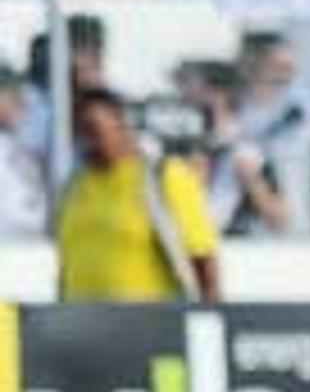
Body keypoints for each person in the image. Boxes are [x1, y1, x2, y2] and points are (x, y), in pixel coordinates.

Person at [54, 86, 220, 302]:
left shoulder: (163, 177)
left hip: (149, 324)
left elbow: (202, 257)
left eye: (94, 131)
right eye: (79, 134)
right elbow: (68, 262)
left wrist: (210, 317)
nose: (87, 142)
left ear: (122, 127)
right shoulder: (75, 186)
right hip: (82, 325)